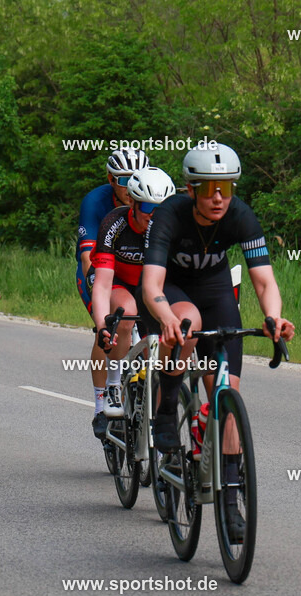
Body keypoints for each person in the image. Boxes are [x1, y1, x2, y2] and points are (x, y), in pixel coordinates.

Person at [141, 143, 294, 542]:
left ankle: (230, 501)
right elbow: (151, 284)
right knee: (188, 322)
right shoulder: (169, 216)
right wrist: (167, 317)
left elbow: (263, 280)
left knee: (227, 396)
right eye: (209, 189)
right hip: (174, 291)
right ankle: (167, 406)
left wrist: (274, 317)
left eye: (226, 188)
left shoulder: (240, 215)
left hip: (217, 291)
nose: (219, 198)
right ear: (191, 189)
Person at [90, 167, 176, 417]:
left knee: (159, 353)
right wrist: (102, 325)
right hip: (117, 282)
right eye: (148, 209)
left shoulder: (170, 229)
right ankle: (113, 385)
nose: (154, 216)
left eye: (161, 210)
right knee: (125, 315)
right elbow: (103, 283)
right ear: (133, 203)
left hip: (150, 288)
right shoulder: (114, 223)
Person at [77, 149, 149, 440]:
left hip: (141, 275)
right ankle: (101, 401)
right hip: (101, 269)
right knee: (109, 326)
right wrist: (101, 302)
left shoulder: (150, 201)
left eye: (135, 178)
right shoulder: (96, 202)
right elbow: (87, 259)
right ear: (110, 179)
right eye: (123, 179)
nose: (130, 185)